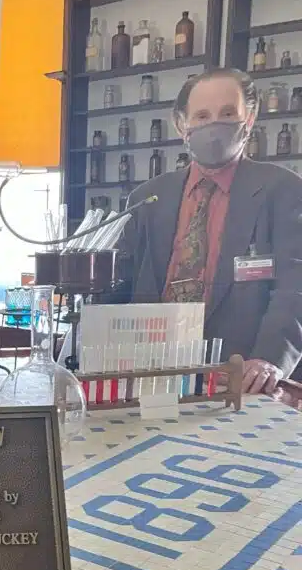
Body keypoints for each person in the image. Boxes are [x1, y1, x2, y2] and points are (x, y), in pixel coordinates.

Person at [115, 67, 302, 396]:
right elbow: (120, 284)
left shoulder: (285, 191)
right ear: (181, 125)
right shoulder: (146, 198)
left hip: (241, 383)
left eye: (227, 113)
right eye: (201, 116)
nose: (215, 125)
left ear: (249, 118)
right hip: (153, 377)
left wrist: (268, 360)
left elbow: (294, 289)